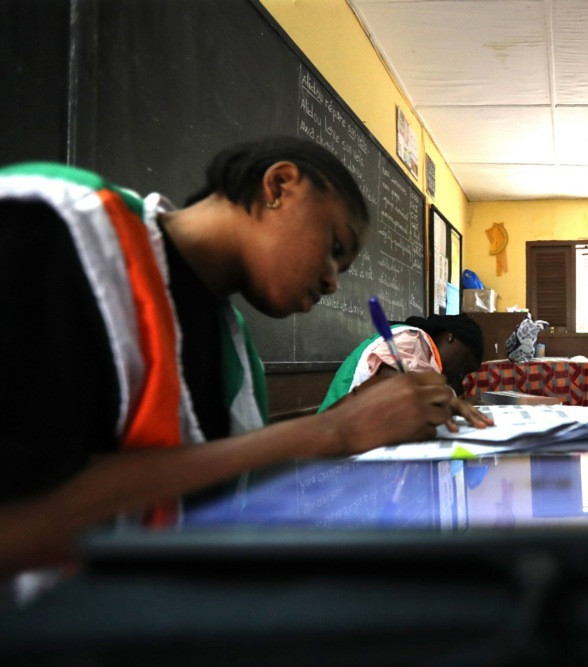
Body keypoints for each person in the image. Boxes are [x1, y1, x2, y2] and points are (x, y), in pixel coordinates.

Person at [0, 137, 459, 577]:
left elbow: (216, 477)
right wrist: (330, 430)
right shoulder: (57, 225)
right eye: (334, 248)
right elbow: (22, 520)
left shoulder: (234, 353)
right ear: (279, 186)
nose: (332, 282)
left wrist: (358, 417)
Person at [317, 314, 492, 428]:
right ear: (451, 337)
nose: (461, 373)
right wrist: (444, 401)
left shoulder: (426, 355)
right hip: (328, 442)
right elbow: (394, 387)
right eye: (466, 364)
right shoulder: (409, 339)